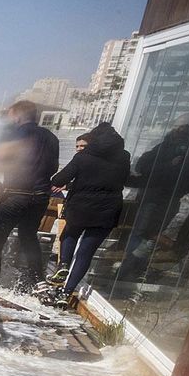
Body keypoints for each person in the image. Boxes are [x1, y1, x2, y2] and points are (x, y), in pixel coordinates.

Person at [47, 122, 131, 300]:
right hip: (108, 210)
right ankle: (66, 292)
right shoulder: (124, 157)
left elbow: (59, 179)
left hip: (80, 207)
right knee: (86, 252)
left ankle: (64, 265)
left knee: (69, 234)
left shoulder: (83, 157)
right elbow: (124, 179)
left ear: (93, 139)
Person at [0, 100, 59, 290]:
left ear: (17, 116)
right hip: (41, 196)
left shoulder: (13, 135)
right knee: (28, 236)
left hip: (15, 195)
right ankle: (38, 281)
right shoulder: (51, 138)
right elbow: (53, 167)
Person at [120, 116, 189, 282]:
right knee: (144, 235)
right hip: (155, 198)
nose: (180, 133)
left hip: (167, 199)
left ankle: (131, 269)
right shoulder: (164, 148)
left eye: (184, 130)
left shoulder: (188, 155)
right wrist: (170, 165)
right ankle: (129, 269)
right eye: (179, 128)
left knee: (147, 235)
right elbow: (142, 166)